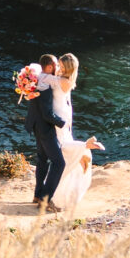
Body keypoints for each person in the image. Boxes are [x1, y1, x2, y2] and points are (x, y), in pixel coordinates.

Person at [46, 53, 102, 213]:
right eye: (60, 65)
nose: (59, 68)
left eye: (63, 67)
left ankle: (84, 148)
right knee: (61, 148)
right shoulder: (66, 78)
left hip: (61, 115)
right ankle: (81, 155)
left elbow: (45, 79)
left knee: (62, 147)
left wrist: (29, 76)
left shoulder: (63, 80)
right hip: (63, 112)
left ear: (69, 69)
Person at [21, 52, 65, 212]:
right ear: (49, 66)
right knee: (59, 163)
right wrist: (62, 122)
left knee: (42, 160)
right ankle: (45, 199)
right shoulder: (45, 84)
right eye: (56, 65)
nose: (57, 68)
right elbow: (47, 113)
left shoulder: (35, 79)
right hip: (45, 128)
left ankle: (37, 195)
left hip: (34, 124)